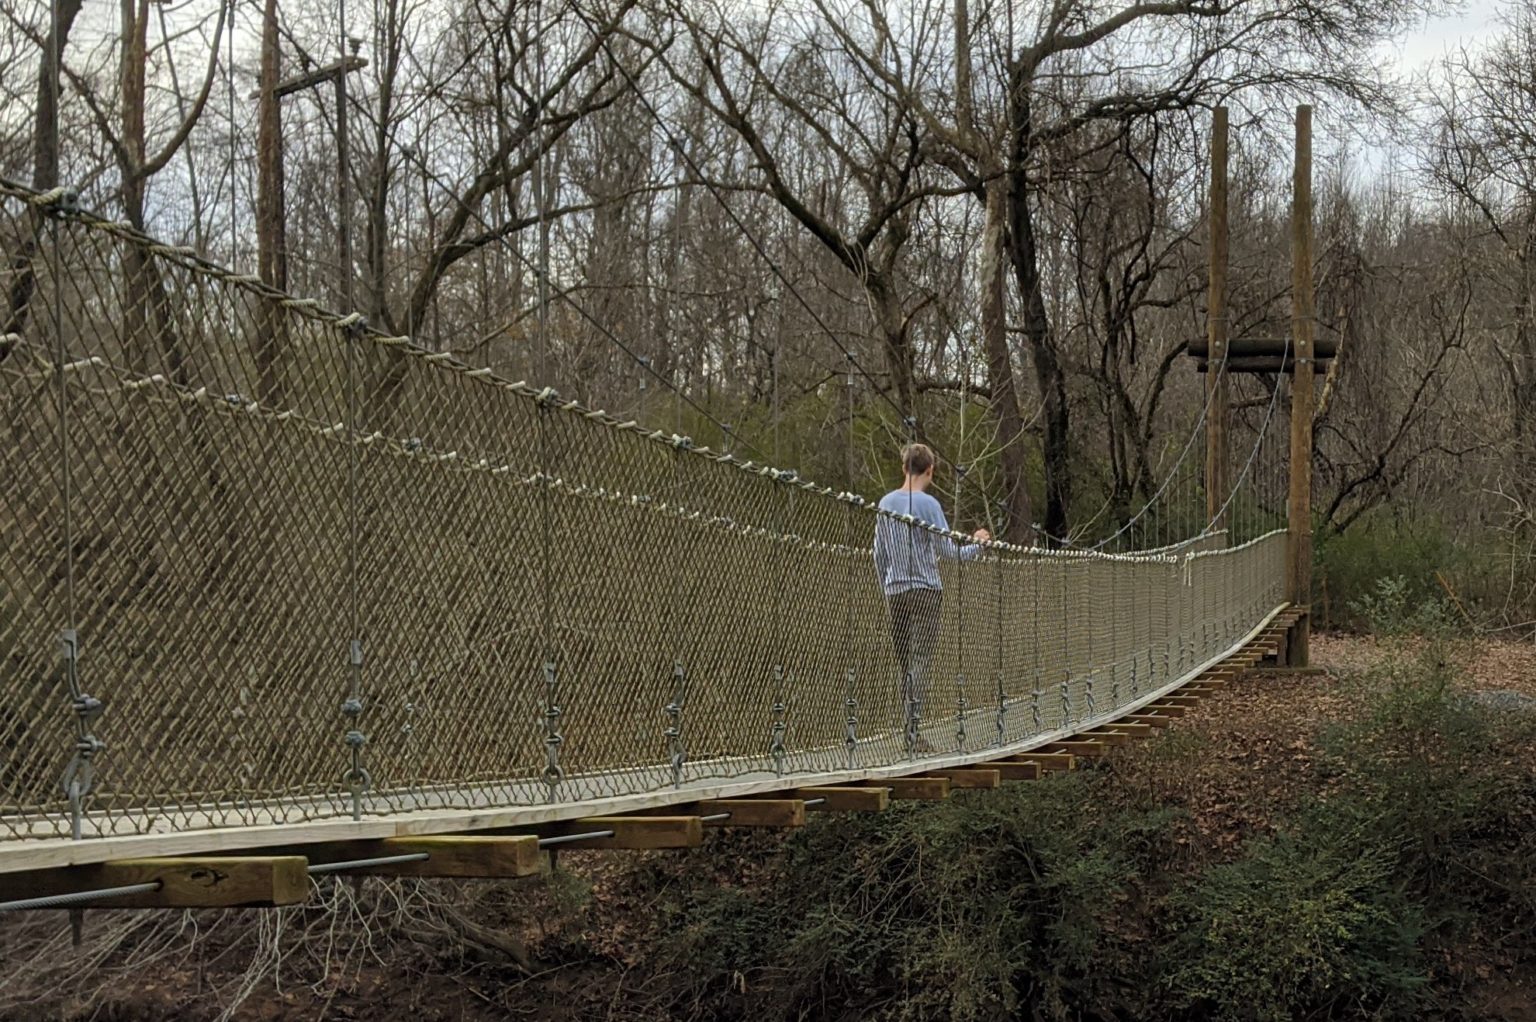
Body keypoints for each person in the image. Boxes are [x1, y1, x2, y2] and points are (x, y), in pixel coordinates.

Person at [872, 443, 989, 754]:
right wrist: (978, 544)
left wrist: (887, 585)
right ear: (930, 471)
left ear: (903, 468)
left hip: (895, 592)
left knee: (905, 663)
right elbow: (949, 552)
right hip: (925, 591)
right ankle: (913, 732)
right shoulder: (930, 505)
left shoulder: (885, 503)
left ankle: (908, 731)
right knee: (920, 661)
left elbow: (879, 554)